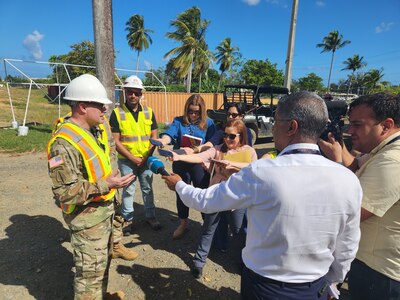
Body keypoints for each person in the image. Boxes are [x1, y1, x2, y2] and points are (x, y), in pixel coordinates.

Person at [163, 91, 362, 300]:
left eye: (276, 121)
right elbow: (348, 243)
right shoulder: (347, 179)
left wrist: (179, 185)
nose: (273, 128)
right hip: (316, 288)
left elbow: (205, 201)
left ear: (291, 127)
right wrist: (332, 281)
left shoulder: (262, 171)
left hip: (264, 287)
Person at [47, 74, 137, 300]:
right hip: (87, 222)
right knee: (89, 278)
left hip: (103, 213)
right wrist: (107, 184)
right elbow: (64, 192)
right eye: (100, 105)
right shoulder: (62, 144)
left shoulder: (94, 129)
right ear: (83, 106)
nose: (105, 110)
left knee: (101, 267)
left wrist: (110, 183)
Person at [319, 92, 400, 300]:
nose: (350, 130)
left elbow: (349, 214)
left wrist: (335, 163)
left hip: (380, 273)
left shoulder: (392, 161)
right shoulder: (382, 149)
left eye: (357, 125)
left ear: (386, 125)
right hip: (372, 264)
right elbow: (355, 164)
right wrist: (340, 145)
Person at [169, 119, 257, 278]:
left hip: (237, 199)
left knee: (238, 231)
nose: (227, 139)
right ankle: (198, 262)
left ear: (241, 136)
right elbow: (201, 156)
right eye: (225, 135)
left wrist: (233, 166)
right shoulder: (218, 149)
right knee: (208, 228)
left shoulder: (249, 151)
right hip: (216, 195)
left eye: (232, 136)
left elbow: (255, 169)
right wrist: (179, 157)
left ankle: (241, 262)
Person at [153, 94, 216, 239]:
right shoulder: (178, 121)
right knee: (181, 192)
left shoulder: (210, 123)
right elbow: (170, 134)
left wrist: (200, 150)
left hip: (198, 164)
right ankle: (183, 224)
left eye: (197, 112)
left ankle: (206, 225)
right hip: (180, 162)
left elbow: (213, 143)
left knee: (202, 193)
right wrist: (164, 140)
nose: (193, 115)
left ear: (202, 111)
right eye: (190, 111)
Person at [109, 75, 161, 235]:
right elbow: (115, 141)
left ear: (141, 94)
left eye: (136, 92)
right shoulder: (117, 113)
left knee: (147, 188)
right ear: (125, 92)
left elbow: (154, 137)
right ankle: (128, 220)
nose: (133, 95)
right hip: (127, 161)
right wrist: (133, 158)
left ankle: (151, 216)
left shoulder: (149, 112)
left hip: (146, 159)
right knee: (128, 190)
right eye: (130, 92)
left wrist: (146, 157)